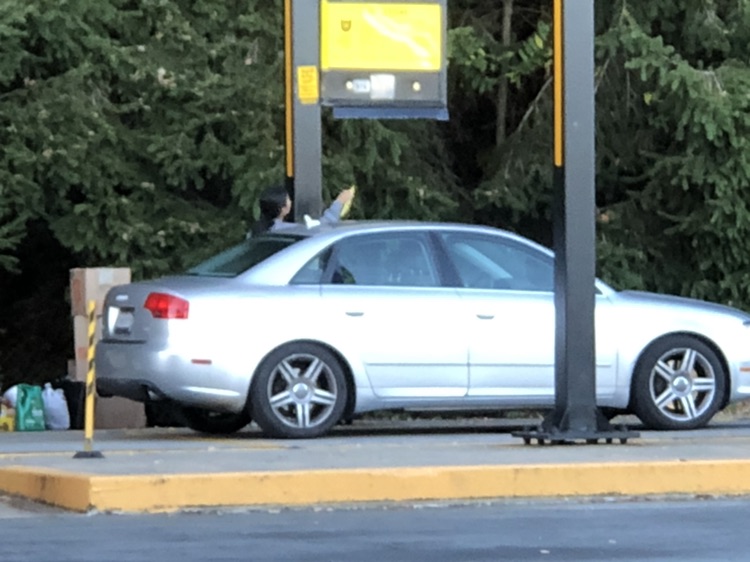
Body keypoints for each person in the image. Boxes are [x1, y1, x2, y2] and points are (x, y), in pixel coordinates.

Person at [249, 184, 355, 237]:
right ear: (283, 209)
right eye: (288, 199)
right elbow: (320, 228)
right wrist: (339, 202)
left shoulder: (255, 231)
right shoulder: (285, 231)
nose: (291, 201)